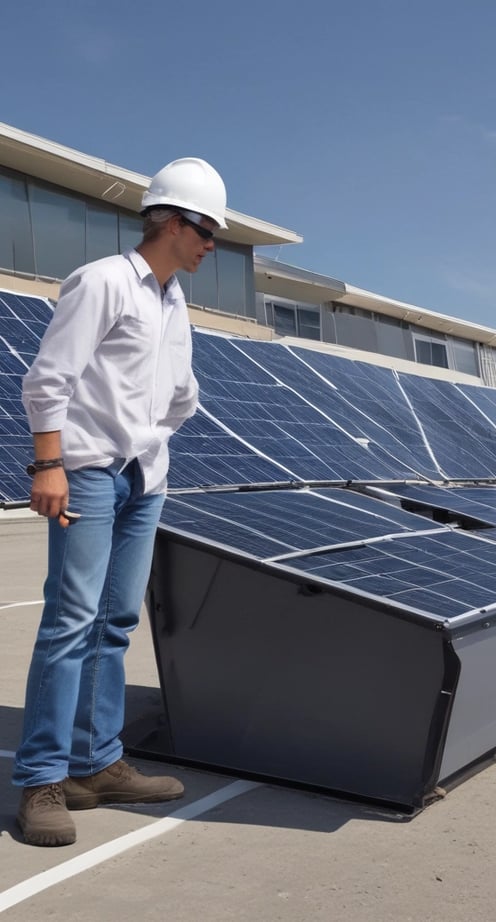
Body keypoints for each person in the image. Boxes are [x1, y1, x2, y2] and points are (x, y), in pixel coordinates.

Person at [14, 157, 228, 847]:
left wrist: (155, 443)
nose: (212, 244)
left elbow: (181, 391)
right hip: (87, 473)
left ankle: (97, 764)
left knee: (114, 623)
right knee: (70, 622)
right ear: (170, 222)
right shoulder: (103, 282)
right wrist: (50, 464)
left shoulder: (174, 301)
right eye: (205, 229)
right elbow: (49, 379)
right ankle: (43, 780)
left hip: (144, 478)